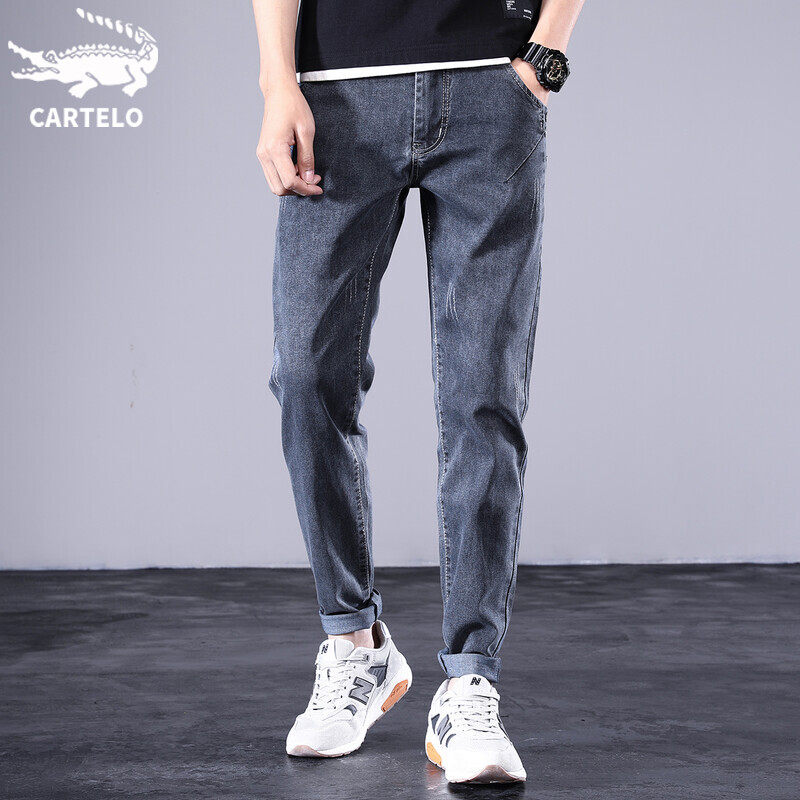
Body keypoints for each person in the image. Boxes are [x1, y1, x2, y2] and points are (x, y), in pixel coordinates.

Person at [253, 0, 585, 784]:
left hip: (489, 86)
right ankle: (355, 645)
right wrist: (278, 82)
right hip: (336, 93)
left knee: (483, 394)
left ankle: (470, 682)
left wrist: (544, 56)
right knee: (306, 374)